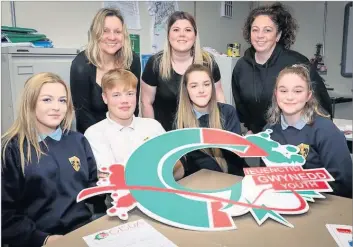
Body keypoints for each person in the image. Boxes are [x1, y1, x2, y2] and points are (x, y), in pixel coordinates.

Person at [1, 73, 104, 247]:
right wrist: (44, 240)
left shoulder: (77, 140)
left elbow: (91, 191)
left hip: (82, 232)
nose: (57, 107)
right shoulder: (11, 149)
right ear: (31, 102)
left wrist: (108, 185)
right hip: (36, 239)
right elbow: (5, 214)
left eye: (62, 100)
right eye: (47, 100)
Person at [232, 2, 332, 134]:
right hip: (260, 139)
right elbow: (241, 108)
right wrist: (251, 130)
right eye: (255, 30)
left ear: (278, 35)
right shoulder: (241, 66)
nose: (260, 35)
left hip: (295, 138)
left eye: (267, 30)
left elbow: (321, 105)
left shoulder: (297, 63)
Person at [265, 64, 352, 198]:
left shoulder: (326, 131)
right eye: (283, 91)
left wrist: (300, 189)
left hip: (321, 204)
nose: (289, 97)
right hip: (279, 202)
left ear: (308, 95)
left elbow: (344, 183)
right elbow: (264, 176)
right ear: (276, 94)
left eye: (298, 91)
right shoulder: (268, 132)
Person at [84, 69, 165, 208]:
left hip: (162, 199)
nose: (124, 101)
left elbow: (177, 166)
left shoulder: (153, 126)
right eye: (116, 95)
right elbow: (112, 180)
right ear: (104, 97)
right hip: (121, 208)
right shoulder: (95, 133)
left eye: (130, 94)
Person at [141, 11, 225, 131]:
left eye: (188, 30)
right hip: (165, 136)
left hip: (201, 135)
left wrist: (221, 130)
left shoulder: (208, 62)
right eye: (176, 30)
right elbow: (146, 102)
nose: (182, 34)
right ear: (168, 35)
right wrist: (154, 136)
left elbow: (219, 97)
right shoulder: (155, 63)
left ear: (195, 35)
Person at [70, 8, 141, 134]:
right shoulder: (81, 65)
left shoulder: (132, 60)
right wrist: (107, 139)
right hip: (93, 136)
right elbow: (83, 115)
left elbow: (133, 107)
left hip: (126, 133)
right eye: (105, 31)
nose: (112, 37)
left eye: (117, 31)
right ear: (95, 33)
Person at [173, 64, 249, 180]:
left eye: (206, 84)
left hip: (233, 180)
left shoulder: (228, 112)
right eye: (194, 86)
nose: (201, 90)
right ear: (186, 90)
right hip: (200, 183)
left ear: (212, 87)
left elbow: (235, 158)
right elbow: (188, 164)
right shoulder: (180, 123)